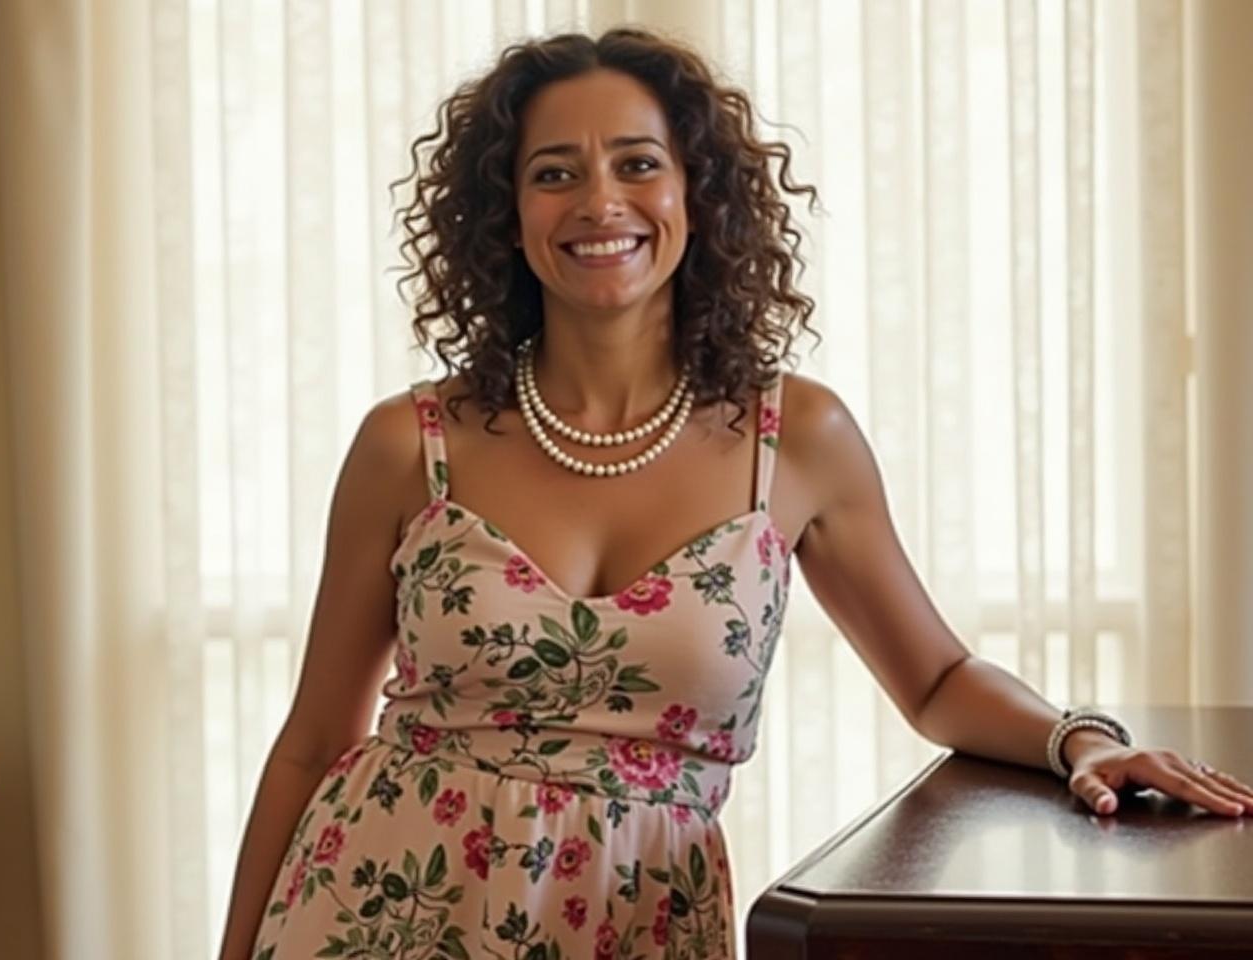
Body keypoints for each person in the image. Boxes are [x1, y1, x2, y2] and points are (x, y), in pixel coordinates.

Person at [217, 26, 1253, 960]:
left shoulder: (794, 439)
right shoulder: (409, 443)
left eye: (637, 165)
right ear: (505, 213)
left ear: (695, 197)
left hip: (636, 923)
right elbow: (315, 738)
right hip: (373, 910)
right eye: (551, 173)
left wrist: (1083, 740)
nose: (598, 202)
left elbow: (934, 679)